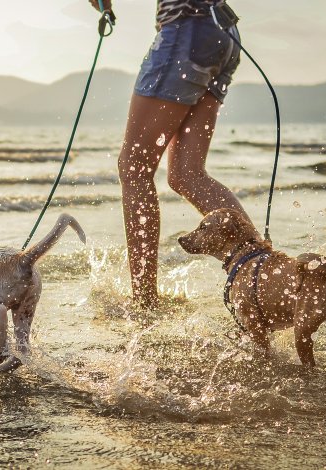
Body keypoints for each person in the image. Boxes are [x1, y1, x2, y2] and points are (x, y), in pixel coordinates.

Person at [90, 0, 251, 309]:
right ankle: (265, 268)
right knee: (187, 175)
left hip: (186, 31)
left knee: (134, 166)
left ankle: (145, 299)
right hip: (223, 33)